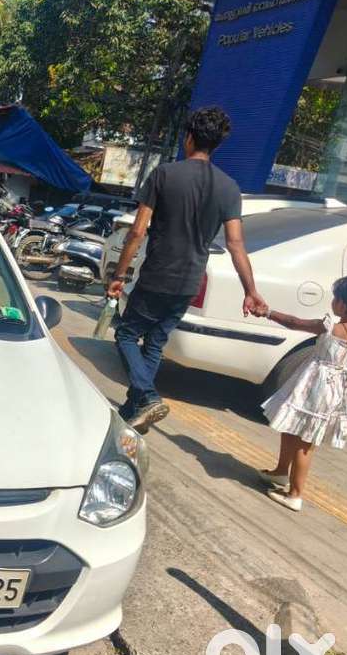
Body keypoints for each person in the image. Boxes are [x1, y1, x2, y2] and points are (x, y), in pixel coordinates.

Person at [107, 106, 266, 433]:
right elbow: (236, 244)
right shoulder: (229, 188)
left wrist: (119, 275)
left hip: (157, 276)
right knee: (153, 344)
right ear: (216, 144)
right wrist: (251, 291)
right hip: (189, 282)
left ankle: (147, 396)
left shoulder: (164, 175)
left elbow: (138, 231)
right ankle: (135, 410)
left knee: (125, 332)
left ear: (189, 138)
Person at [256, 276, 347, 512]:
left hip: (315, 388)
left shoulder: (330, 326)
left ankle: (295, 494)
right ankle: (281, 472)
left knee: (305, 442)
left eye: (335, 298)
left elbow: (293, 322)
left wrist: (267, 312)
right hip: (338, 394)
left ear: (342, 304)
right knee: (292, 428)